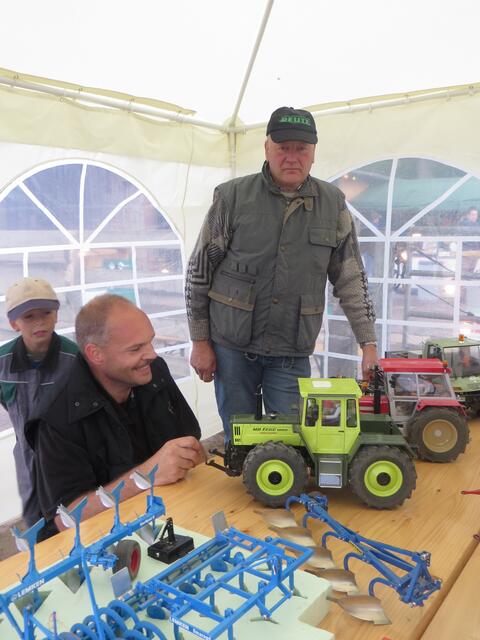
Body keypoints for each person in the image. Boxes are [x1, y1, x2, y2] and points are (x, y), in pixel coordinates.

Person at [185, 106, 378, 438]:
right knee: (239, 438)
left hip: (291, 351)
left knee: (292, 440)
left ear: (313, 153)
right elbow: (199, 271)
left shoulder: (333, 204)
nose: (291, 157)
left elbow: (351, 280)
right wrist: (200, 340)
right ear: (266, 148)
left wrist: (369, 344)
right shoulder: (232, 197)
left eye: (301, 149)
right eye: (282, 148)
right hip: (231, 349)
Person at [27, 294, 204, 536]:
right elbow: (65, 519)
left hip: (177, 515)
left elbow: (194, 449)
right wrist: (145, 477)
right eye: (136, 348)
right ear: (95, 354)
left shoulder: (154, 371)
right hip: (106, 540)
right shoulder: (56, 417)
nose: (152, 354)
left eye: (150, 341)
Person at [0, 277, 78, 526]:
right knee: (36, 525)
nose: (39, 322)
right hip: (27, 461)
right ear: (14, 323)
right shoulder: (2, 363)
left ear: (56, 315)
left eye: (46, 313)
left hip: (70, 459)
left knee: (73, 520)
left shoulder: (75, 359)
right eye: (28, 316)